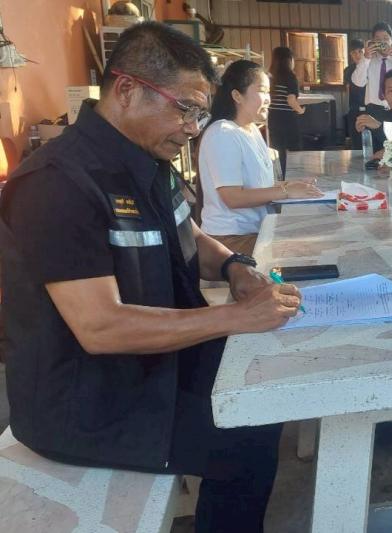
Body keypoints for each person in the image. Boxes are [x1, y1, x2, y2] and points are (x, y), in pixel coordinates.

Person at [0, 22, 304, 533]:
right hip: (91, 403)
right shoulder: (57, 184)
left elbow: (190, 234)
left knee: (266, 380)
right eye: (185, 108)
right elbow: (101, 328)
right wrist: (235, 316)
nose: (193, 127)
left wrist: (234, 268)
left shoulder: (147, 157)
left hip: (159, 364)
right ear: (126, 90)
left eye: (199, 113)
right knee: (244, 440)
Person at [200, 60, 323, 256]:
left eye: (269, 92)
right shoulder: (223, 133)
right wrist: (285, 191)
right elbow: (232, 197)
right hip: (231, 240)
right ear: (237, 96)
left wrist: (291, 185)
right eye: (262, 91)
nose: (268, 99)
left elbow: (257, 185)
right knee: (309, 252)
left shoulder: (251, 130)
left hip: (257, 231)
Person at [351, 21, 392, 116]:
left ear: (391, 40)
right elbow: (358, 82)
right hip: (373, 110)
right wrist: (366, 58)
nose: (382, 42)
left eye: (386, 38)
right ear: (373, 41)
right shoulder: (368, 60)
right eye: (378, 39)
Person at [267, 46, 306, 179]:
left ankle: (281, 178)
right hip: (287, 118)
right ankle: (295, 179)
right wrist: (301, 110)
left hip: (273, 117)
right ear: (289, 60)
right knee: (295, 150)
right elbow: (291, 100)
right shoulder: (290, 76)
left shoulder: (270, 77)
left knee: (279, 151)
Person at [344, 38, 367, 149]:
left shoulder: (371, 66)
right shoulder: (348, 70)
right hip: (354, 109)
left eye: (360, 51)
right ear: (350, 54)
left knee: (370, 142)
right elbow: (349, 89)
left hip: (370, 110)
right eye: (354, 52)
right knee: (356, 144)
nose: (357, 55)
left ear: (364, 52)